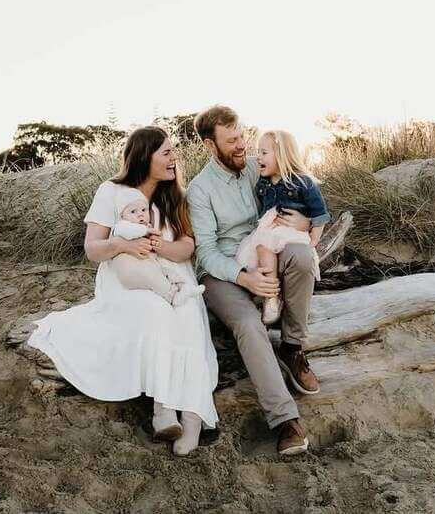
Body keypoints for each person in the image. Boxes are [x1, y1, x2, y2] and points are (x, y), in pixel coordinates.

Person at [27, 126, 218, 457]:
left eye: (174, 151)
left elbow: (187, 247)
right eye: (167, 153)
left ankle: (192, 419)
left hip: (173, 272)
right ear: (145, 157)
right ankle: (164, 410)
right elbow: (93, 248)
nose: (175, 158)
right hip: (125, 277)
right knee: (154, 311)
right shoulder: (111, 191)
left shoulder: (175, 195)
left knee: (187, 320)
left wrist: (161, 246)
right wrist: (124, 244)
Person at [186, 105, 320, 457]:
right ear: (209, 145)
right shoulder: (200, 191)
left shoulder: (257, 166)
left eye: (242, 135)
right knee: (247, 323)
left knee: (304, 257)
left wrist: (305, 225)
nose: (242, 145)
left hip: (269, 251)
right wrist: (245, 279)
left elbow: (301, 194)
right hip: (225, 272)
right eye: (231, 141)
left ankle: (292, 347)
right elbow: (206, 253)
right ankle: (286, 421)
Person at [235, 130, 330, 324]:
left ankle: (292, 329)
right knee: (261, 246)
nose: (258, 157)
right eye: (257, 152)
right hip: (272, 229)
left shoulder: (304, 182)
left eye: (263, 153)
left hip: (293, 232)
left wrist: (314, 238)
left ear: (281, 156)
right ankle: (271, 297)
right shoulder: (263, 183)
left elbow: (320, 212)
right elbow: (263, 209)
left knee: (288, 254)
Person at [111, 187, 206, 307]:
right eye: (133, 212)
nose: (140, 214)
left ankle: (184, 287)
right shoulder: (122, 226)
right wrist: (146, 230)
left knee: (167, 271)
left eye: (143, 210)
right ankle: (172, 296)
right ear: (122, 215)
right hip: (134, 266)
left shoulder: (145, 224)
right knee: (154, 278)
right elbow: (130, 232)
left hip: (150, 260)